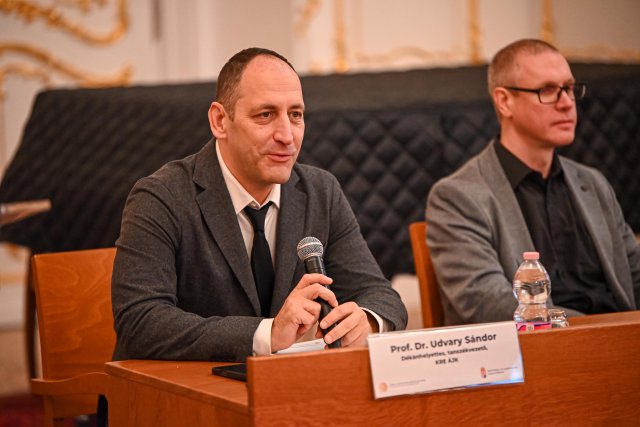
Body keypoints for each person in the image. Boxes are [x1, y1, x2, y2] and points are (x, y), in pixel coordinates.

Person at [111, 47, 408, 361]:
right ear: (220, 121)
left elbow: (381, 295)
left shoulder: (321, 191)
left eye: (295, 115)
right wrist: (267, 333)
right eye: (265, 115)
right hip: (184, 387)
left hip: (285, 387)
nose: (286, 136)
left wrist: (367, 321)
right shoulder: (161, 197)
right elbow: (139, 322)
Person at [426, 39, 640, 325]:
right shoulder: (458, 196)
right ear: (505, 102)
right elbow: (486, 302)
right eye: (547, 90)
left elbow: (634, 276)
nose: (566, 103)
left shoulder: (593, 183)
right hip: (541, 348)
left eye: (569, 88)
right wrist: (600, 330)